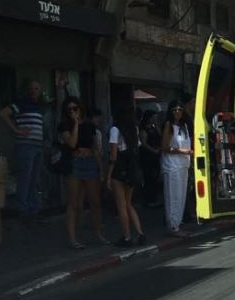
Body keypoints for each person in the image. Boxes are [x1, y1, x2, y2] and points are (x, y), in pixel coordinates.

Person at [59, 97, 107, 249]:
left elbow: (95, 148)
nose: (73, 111)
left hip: (90, 162)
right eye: (70, 109)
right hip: (74, 164)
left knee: (95, 201)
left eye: (75, 108)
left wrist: (101, 169)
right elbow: (72, 143)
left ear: (81, 109)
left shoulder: (90, 126)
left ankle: (98, 232)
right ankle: (73, 238)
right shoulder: (64, 126)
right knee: (74, 203)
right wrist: (75, 124)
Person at [0, 80, 45, 223]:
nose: (34, 91)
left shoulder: (39, 107)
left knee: (34, 178)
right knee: (25, 178)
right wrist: (17, 130)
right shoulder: (21, 102)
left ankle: (32, 209)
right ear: (27, 90)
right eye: (31, 88)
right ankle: (22, 209)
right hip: (26, 145)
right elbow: (3, 113)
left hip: (38, 145)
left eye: (37, 88)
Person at [107, 107, 146, 247]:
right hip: (132, 168)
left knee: (121, 205)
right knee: (129, 203)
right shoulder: (134, 129)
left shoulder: (115, 130)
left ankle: (127, 236)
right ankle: (140, 233)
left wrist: (108, 175)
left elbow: (113, 155)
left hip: (120, 168)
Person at [162, 100, 192, 237]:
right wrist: (183, 151)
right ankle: (173, 226)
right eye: (174, 110)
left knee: (181, 195)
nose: (177, 112)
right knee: (173, 196)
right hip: (172, 165)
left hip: (183, 164)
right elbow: (165, 147)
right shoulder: (169, 125)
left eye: (180, 109)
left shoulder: (184, 126)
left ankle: (177, 223)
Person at [139, 110, 162, 208]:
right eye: (153, 117)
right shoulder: (144, 129)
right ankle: (148, 200)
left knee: (155, 178)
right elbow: (144, 143)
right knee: (149, 178)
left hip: (156, 155)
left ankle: (154, 199)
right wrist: (153, 150)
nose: (155, 119)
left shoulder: (155, 127)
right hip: (148, 156)